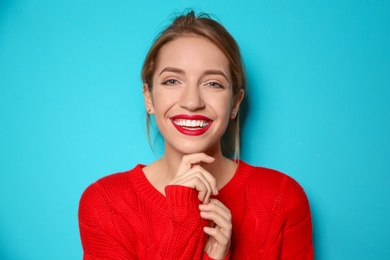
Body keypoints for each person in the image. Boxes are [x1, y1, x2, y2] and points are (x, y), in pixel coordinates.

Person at [78, 10, 313, 259]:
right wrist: (183, 229)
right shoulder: (105, 203)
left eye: (213, 83)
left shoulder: (282, 198)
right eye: (172, 81)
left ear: (235, 103)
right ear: (148, 98)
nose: (192, 102)